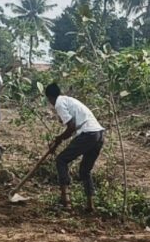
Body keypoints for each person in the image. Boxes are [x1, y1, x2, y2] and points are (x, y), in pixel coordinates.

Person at [45, 82, 105, 212]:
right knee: (85, 170)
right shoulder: (69, 100)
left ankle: (65, 200)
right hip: (99, 134)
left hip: (88, 134)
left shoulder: (59, 103)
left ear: (49, 98)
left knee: (61, 160)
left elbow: (71, 127)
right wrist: (59, 140)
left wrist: (59, 139)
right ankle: (90, 205)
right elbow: (72, 128)